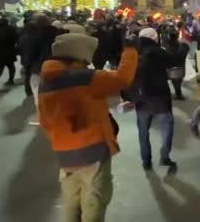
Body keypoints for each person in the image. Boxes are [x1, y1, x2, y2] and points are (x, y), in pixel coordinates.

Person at [38, 32, 138, 222]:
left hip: (64, 152)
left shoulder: (48, 78)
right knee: (94, 201)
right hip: (92, 150)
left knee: (71, 202)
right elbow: (123, 78)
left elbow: (44, 119)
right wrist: (130, 50)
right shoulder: (82, 77)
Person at [133, 27, 180, 171]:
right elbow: (175, 60)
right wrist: (181, 46)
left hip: (141, 98)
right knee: (167, 126)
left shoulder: (133, 53)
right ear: (154, 38)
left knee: (143, 130)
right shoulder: (159, 52)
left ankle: (146, 160)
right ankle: (165, 156)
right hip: (160, 97)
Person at [27, 14, 63, 107]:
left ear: (37, 24)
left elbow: (31, 55)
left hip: (40, 68)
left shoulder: (35, 36)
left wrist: (28, 65)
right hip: (58, 67)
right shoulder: (59, 34)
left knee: (38, 94)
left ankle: (43, 112)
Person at [0, 18, 18, 90]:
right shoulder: (11, 28)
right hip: (9, 51)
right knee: (10, 66)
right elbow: (15, 38)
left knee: (0, 67)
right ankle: (10, 79)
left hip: (1, 52)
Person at [165, 29, 189, 100]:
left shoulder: (168, 46)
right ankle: (178, 94)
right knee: (178, 81)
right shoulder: (182, 45)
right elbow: (185, 51)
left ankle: (178, 93)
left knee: (175, 81)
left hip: (173, 66)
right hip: (180, 66)